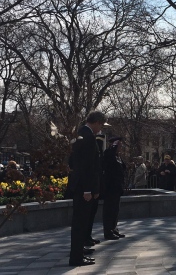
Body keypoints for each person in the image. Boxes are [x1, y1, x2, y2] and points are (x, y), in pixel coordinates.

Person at [66, 111, 104, 267]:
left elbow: (72, 160)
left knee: (81, 222)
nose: (100, 129)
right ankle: (76, 257)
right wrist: (87, 189)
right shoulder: (87, 137)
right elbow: (86, 166)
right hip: (83, 188)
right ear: (96, 122)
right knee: (80, 223)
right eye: (101, 125)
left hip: (80, 185)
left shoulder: (80, 133)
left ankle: (78, 252)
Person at [102, 136, 126, 240]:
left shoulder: (117, 156)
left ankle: (114, 228)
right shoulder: (108, 153)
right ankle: (108, 231)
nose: (121, 147)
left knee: (115, 210)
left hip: (117, 186)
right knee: (109, 210)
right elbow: (108, 161)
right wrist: (113, 146)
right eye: (119, 145)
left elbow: (123, 167)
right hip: (110, 187)